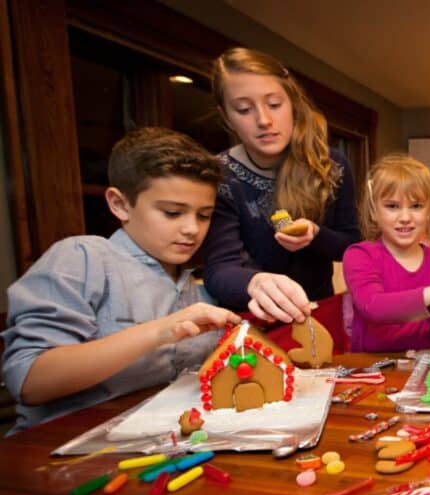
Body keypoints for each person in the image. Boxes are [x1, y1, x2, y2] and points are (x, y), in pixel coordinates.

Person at [2, 128, 240, 434]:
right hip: (58, 447)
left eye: (204, 215)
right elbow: (30, 381)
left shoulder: (198, 285)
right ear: (120, 204)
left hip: (154, 442)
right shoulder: (84, 257)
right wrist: (162, 329)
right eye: (172, 212)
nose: (192, 229)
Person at [205, 47, 360, 324]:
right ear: (226, 117)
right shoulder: (218, 176)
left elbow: (352, 245)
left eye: (274, 104)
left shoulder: (331, 165)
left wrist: (316, 235)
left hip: (318, 316)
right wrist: (255, 283)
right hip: (249, 326)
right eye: (244, 109)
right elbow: (219, 269)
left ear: (292, 103)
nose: (264, 120)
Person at [343, 154, 430, 353]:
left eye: (416, 206)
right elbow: (373, 306)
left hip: (426, 363)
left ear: (429, 210)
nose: (405, 217)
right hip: (372, 367)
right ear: (373, 211)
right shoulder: (360, 255)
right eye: (392, 206)